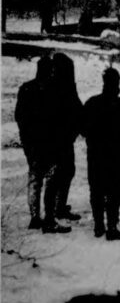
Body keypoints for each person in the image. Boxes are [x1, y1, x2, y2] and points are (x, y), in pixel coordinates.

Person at [15, 55, 70, 233]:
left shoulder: (26, 89)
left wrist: (26, 139)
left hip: (32, 144)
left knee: (34, 180)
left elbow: (20, 117)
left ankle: (34, 217)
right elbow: (60, 119)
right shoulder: (55, 90)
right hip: (50, 144)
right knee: (51, 181)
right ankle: (49, 219)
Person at [82, 67, 120, 240]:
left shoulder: (92, 103)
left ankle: (99, 225)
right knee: (114, 191)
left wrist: (93, 141)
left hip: (96, 155)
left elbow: (82, 127)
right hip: (114, 155)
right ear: (117, 84)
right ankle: (112, 227)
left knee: (96, 189)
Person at [51, 53, 83, 222]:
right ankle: (58, 208)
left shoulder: (50, 86)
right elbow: (77, 109)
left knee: (59, 173)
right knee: (65, 172)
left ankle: (57, 206)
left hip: (56, 136)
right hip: (64, 138)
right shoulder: (67, 88)